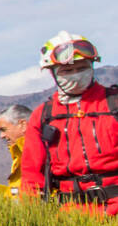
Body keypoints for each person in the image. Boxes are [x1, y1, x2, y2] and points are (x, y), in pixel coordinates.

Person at [21, 32, 118, 215]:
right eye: (67, 70)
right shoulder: (43, 116)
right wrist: (31, 217)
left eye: (82, 68)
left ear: (92, 66)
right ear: (53, 73)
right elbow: (31, 174)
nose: (75, 75)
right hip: (70, 216)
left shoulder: (114, 104)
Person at [0, 104, 31, 196]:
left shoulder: (45, 154)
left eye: (4, 129)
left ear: (23, 125)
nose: (1, 136)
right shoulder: (18, 156)